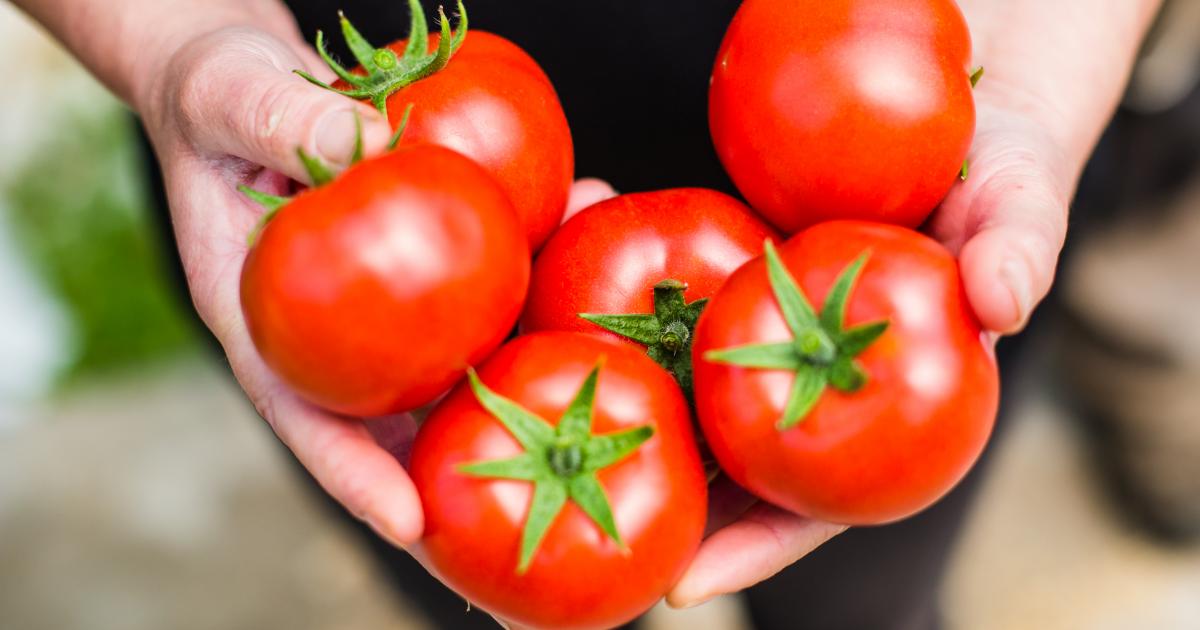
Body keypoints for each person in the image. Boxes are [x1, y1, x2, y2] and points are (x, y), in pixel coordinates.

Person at [9, 0, 1165, 627]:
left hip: (890, 182)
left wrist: (1060, 32)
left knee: (867, 597)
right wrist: (169, 42)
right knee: (480, 586)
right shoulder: (345, 200)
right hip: (344, 139)